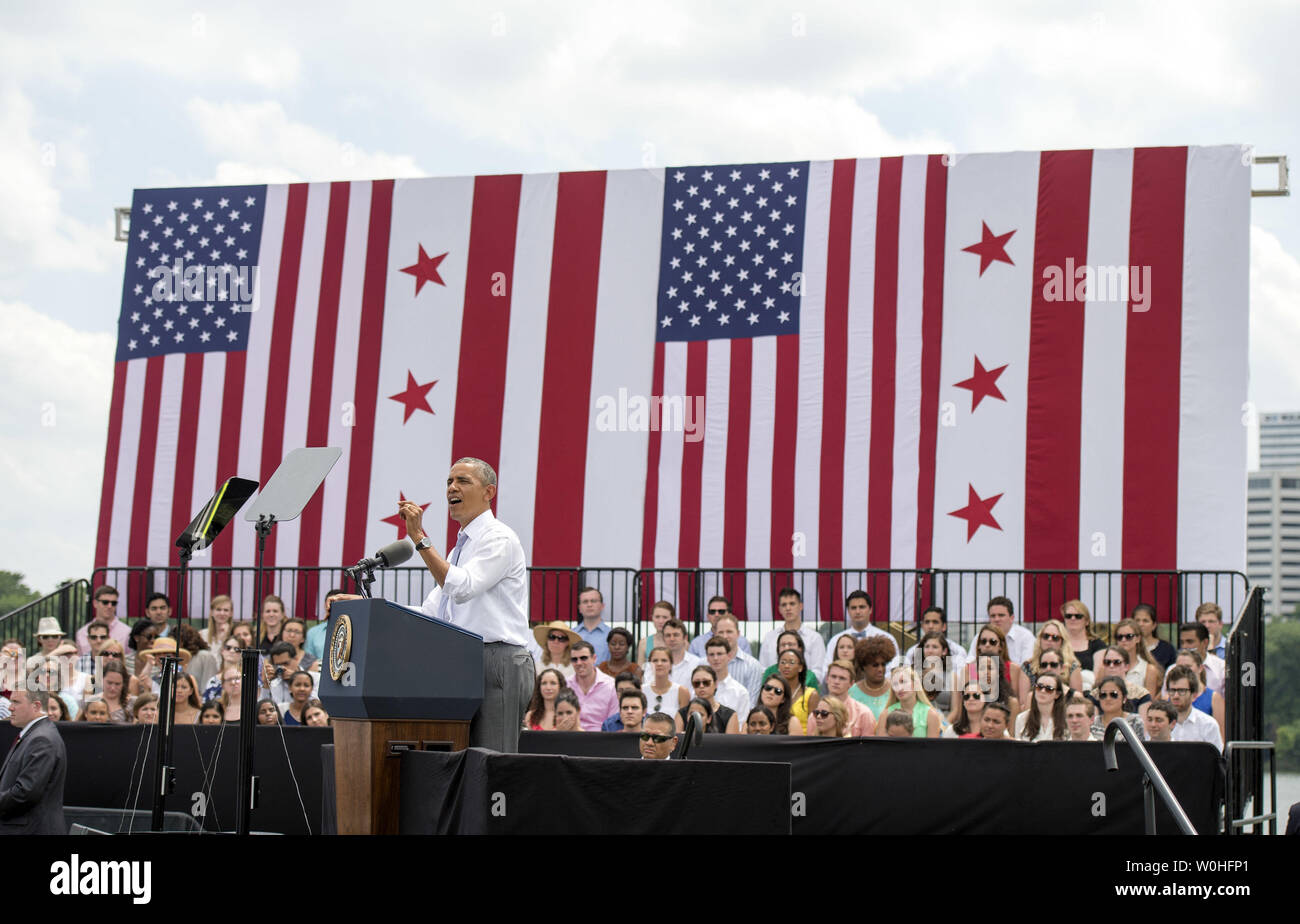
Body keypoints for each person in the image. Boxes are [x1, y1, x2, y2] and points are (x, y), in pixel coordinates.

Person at [0, 690, 67, 834]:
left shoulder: (42, 739)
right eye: (11, 702)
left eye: (16, 702)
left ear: (36, 706)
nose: (10, 707)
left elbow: (25, 793)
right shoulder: (35, 735)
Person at [759, 588, 827, 676]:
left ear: (800, 606)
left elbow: (818, 672)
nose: (788, 608)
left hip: (805, 688)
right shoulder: (770, 637)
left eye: (792, 604)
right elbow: (763, 669)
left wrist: (798, 684)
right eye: (784, 605)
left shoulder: (814, 638)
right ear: (779, 609)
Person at [1018, 619, 1083, 703]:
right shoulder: (1028, 666)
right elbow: (1023, 703)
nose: (1049, 640)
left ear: (1062, 641)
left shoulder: (1072, 666)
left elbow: (1078, 702)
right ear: (1040, 639)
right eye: (1045, 636)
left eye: (1055, 638)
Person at [827, 591, 900, 665]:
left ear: (870, 609)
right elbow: (827, 668)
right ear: (848, 611)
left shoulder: (887, 638)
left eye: (862, 607)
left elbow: (894, 668)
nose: (858, 611)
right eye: (853, 608)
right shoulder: (835, 640)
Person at [1170, 648, 1226, 742]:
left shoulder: (1213, 698)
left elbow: (1221, 736)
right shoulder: (1169, 697)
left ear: (1200, 668)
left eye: (1188, 666)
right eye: (1179, 667)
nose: (1183, 670)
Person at [1165, 665, 1223, 751]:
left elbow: (1216, 760)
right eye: (1172, 690)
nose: (1176, 696)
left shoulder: (1208, 725)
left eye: (1182, 691)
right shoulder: (1159, 723)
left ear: (1194, 695)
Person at [875, 665, 941, 738]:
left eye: (903, 682)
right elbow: (881, 746)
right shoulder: (885, 714)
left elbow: (932, 748)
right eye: (895, 684)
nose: (899, 688)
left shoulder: (931, 715)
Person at [567, 640, 618, 731]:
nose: (579, 663)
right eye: (574, 659)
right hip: (571, 737)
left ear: (594, 658)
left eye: (583, 658)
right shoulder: (566, 684)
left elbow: (613, 722)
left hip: (600, 739)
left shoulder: (611, 686)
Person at [899, 605, 966, 672]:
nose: (930, 626)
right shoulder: (912, 652)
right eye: (927, 622)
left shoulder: (958, 650)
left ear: (944, 626)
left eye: (935, 622)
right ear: (922, 626)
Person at [713, 614, 763, 703]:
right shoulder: (704, 663)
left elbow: (751, 704)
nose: (725, 636)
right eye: (721, 632)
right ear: (715, 634)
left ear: (738, 634)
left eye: (729, 632)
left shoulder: (753, 666)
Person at [821, 659, 875, 736]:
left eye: (842, 678)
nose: (836, 681)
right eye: (833, 676)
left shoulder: (864, 713)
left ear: (851, 683)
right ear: (827, 679)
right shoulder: (817, 714)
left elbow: (868, 746)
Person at [75, 585, 132, 656]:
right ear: (95, 603)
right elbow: (79, 661)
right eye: (105, 602)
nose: (109, 606)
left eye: (113, 603)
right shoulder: (82, 633)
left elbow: (130, 661)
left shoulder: (127, 632)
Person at [688, 595, 753, 658]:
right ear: (708, 616)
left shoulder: (742, 642)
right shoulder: (696, 643)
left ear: (729, 614)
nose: (716, 614)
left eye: (721, 611)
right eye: (712, 611)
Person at [1110, 618, 1163, 694]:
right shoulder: (1107, 665)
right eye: (1120, 637)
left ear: (1138, 639)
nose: (1123, 640)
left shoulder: (1149, 670)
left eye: (1129, 636)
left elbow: (1149, 702)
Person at [679, 666, 739, 733]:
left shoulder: (729, 715)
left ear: (716, 684)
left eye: (706, 682)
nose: (701, 686)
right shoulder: (682, 713)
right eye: (696, 683)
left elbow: (731, 742)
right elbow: (676, 741)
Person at [703, 637, 750, 719]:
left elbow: (741, 725)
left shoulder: (740, 692)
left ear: (729, 656)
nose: (715, 658)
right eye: (711, 654)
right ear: (707, 658)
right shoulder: (698, 689)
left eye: (719, 654)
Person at [1095, 646, 1152, 712]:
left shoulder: (1142, 694)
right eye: (1107, 662)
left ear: (1126, 666)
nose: (1111, 666)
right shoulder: (1095, 694)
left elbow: (1144, 721)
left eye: (1117, 662)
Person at [850, 637, 895, 721]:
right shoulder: (852, 692)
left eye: (883, 664)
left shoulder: (895, 689)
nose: (880, 669)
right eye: (875, 665)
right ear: (864, 666)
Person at [1015, 672, 1067, 741]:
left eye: (1049, 689)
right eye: (1039, 687)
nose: (1043, 691)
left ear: (1057, 694)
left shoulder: (1067, 719)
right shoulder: (1021, 718)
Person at [1060, 600, 1107, 675]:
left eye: (1078, 616)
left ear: (1087, 621)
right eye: (1068, 616)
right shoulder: (1058, 642)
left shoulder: (1097, 644)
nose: (1073, 618)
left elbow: (1098, 673)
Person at [1177, 622, 1225, 696]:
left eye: (1190, 642)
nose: (1185, 646)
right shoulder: (1172, 669)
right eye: (1182, 642)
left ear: (1205, 642)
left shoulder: (1221, 668)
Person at [775, 648, 818, 727]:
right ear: (778, 667)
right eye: (783, 662)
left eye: (791, 662)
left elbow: (815, 727)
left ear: (800, 667)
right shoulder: (773, 691)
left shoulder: (811, 695)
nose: (786, 666)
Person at [986, 596, 1035, 665]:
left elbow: (1026, 668)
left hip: (1016, 675)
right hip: (986, 676)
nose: (996, 619)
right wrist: (973, 676)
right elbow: (970, 664)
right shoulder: (981, 637)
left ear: (1012, 618)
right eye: (993, 616)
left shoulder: (1025, 637)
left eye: (1001, 615)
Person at [305, 588, 349, 661]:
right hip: (318, 671)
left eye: (340, 603)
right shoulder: (313, 632)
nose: (336, 606)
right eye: (332, 603)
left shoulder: (355, 630)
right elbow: (308, 662)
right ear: (326, 605)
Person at [643, 647, 689, 716]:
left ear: (671, 665)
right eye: (655, 660)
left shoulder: (682, 692)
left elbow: (684, 722)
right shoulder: (642, 690)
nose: (659, 664)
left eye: (664, 660)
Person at [1131, 603, 1177, 670]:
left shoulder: (1167, 649)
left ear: (1154, 625)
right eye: (1137, 620)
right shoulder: (1128, 646)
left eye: (1145, 621)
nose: (1140, 624)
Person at [573, 586, 611, 663]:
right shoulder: (571, 634)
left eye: (593, 601)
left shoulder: (611, 635)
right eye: (585, 602)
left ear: (602, 606)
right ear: (579, 608)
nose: (589, 605)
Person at [660, 618, 702, 687]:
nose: (672, 639)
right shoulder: (656, 664)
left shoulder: (696, 663)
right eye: (668, 635)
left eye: (676, 635)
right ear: (663, 639)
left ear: (685, 638)